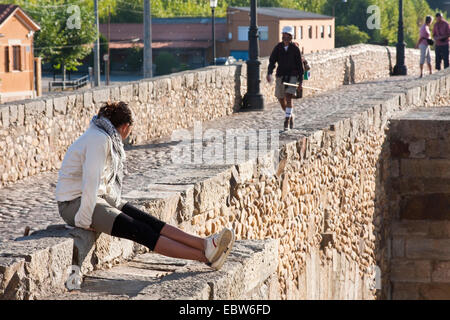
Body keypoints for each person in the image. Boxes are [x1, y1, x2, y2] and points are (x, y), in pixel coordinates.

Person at [55, 101, 235, 271]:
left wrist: (113, 205)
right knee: (140, 231)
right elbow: (90, 183)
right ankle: (206, 257)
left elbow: (98, 184)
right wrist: (83, 221)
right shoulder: (99, 140)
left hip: (97, 198)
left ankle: (205, 244)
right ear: (125, 127)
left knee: (150, 222)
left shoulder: (102, 135)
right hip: (74, 204)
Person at [266, 25, 304, 131]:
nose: (285, 37)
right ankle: (290, 114)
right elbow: (272, 61)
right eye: (284, 35)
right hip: (280, 76)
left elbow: (300, 66)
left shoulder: (295, 49)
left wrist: (300, 81)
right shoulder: (278, 48)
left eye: (287, 35)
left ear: (291, 37)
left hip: (292, 76)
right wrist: (269, 73)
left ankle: (286, 121)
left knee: (288, 97)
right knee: (281, 99)